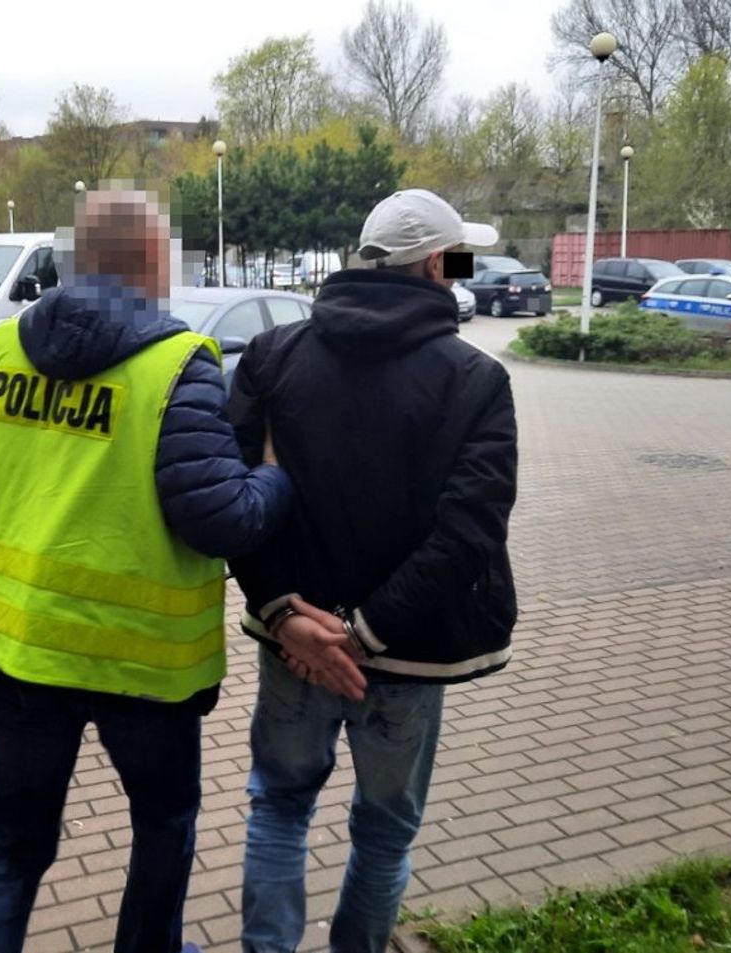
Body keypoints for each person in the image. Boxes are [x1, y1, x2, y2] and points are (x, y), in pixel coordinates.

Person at [0, 187, 293, 953]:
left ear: (77, 258)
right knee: (162, 824)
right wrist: (276, 477)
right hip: (142, 667)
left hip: (19, 653)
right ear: (154, 263)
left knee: (9, 844)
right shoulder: (175, 363)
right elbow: (222, 517)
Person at [227, 188, 519, 953]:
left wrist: (290, 613)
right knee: (385, 833)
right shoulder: (474, 379)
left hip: (295, 641)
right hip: (407, 650)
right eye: (459, 258)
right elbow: (470, 533)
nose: (462, 273)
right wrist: (364, 633)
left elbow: (237, 502)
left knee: (280, 807)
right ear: (433, 264)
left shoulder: (273, 356)